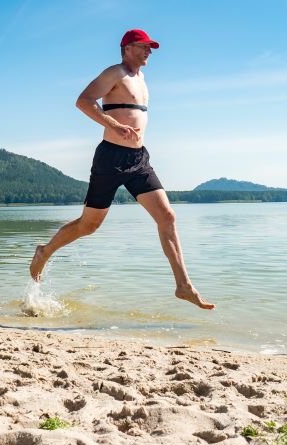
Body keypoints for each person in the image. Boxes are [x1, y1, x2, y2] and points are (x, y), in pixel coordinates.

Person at [29, 29, 215, 310]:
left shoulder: (142, 79)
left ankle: (183, 285)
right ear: (127, 48)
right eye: (143, 47)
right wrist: (114, 125)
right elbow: (83, 101)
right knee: (88, 226)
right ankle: (45, 251)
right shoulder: (115, 73)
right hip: (110, 159)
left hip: (139, 159)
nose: (148, 51)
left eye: (150, 47)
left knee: (167, 216)